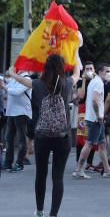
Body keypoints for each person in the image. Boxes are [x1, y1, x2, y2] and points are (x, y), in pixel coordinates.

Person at [9, 54, 80, 217]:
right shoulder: (67, 83)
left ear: (45, 68)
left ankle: (40, 210)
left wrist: (13, 72)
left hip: (42, 136)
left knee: (41, 175)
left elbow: (22, 81)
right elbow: (77, 73)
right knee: (58, 177)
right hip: (63, 136)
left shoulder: (38, 84)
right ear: (62, 67)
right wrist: (73, 57)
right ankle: (53, 214)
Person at [72, 63, 110, 179]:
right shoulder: (99, 83)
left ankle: (107, 169)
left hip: (93, 118)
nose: (109, 73)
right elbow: (95, 99)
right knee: (90, 143)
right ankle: (78, 169)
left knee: (102, 144)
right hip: (95, 119)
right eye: (107, 71)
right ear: (100, 72)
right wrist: (98, 115)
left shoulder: (95, 81)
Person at [0, 67, 32, 172]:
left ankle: (19, 163)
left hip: (22, 112)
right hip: (11, 112)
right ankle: (8, 162)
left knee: (21, 139)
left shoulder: (26, 79)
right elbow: (7, 88)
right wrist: (3, 86)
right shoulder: (15, 78)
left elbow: (16, 92)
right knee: (8, 138)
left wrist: (3, 87)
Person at [74, 62, 98, 172]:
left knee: (92, 136)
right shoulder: (80, 81)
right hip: (83, 110)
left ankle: (89, 162)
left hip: (93, 109)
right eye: (87, 68)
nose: (89, 70)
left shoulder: (97, 81)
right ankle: (78, 163)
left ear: (94, 70)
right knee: (81, 136)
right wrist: (83, 81)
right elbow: (81, 95)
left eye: (91, 68)